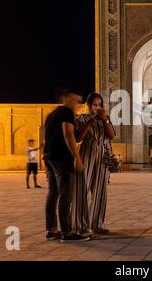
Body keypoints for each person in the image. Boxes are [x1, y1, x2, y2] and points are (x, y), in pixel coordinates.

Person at [43, 89, 89, 242]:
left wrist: (89, 122)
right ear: (67, 98)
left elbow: (74, 136)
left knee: (53, 194)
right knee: (65, 195)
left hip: (49, 158)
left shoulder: (51, 115)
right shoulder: (67, 112)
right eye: (76, 100)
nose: (78, 104)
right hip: (62, 159)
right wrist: (77, 157)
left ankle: (51, 230)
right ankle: (67, 232)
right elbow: (68, 135)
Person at [72, 92, 116, 236]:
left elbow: (111, 135)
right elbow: (78, 138)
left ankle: (96, 224)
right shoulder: (81, 118)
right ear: (88, 106)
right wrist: (90, 121)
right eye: (94, 105)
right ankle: (79, 226)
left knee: (100, 192)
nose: (97, 108)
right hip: (86, 155)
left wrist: (104, 121)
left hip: (102, 156)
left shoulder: (106, 120)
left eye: (100, 105)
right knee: (81, 191)